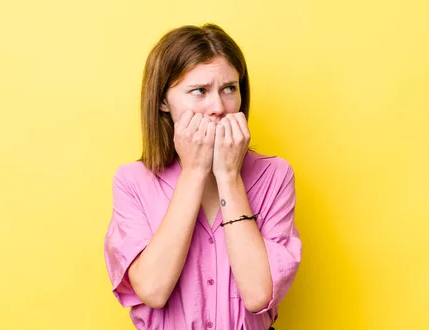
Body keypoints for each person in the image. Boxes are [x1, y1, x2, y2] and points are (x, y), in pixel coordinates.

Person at [104, 23, 302, 330]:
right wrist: (195, 171)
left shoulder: (274, 175)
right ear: (163, 101)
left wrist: (229, 176)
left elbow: (258, 295)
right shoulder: (132, 181)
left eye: (229, 89)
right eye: (199, 91)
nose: (218, 107)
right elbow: (153, 290)